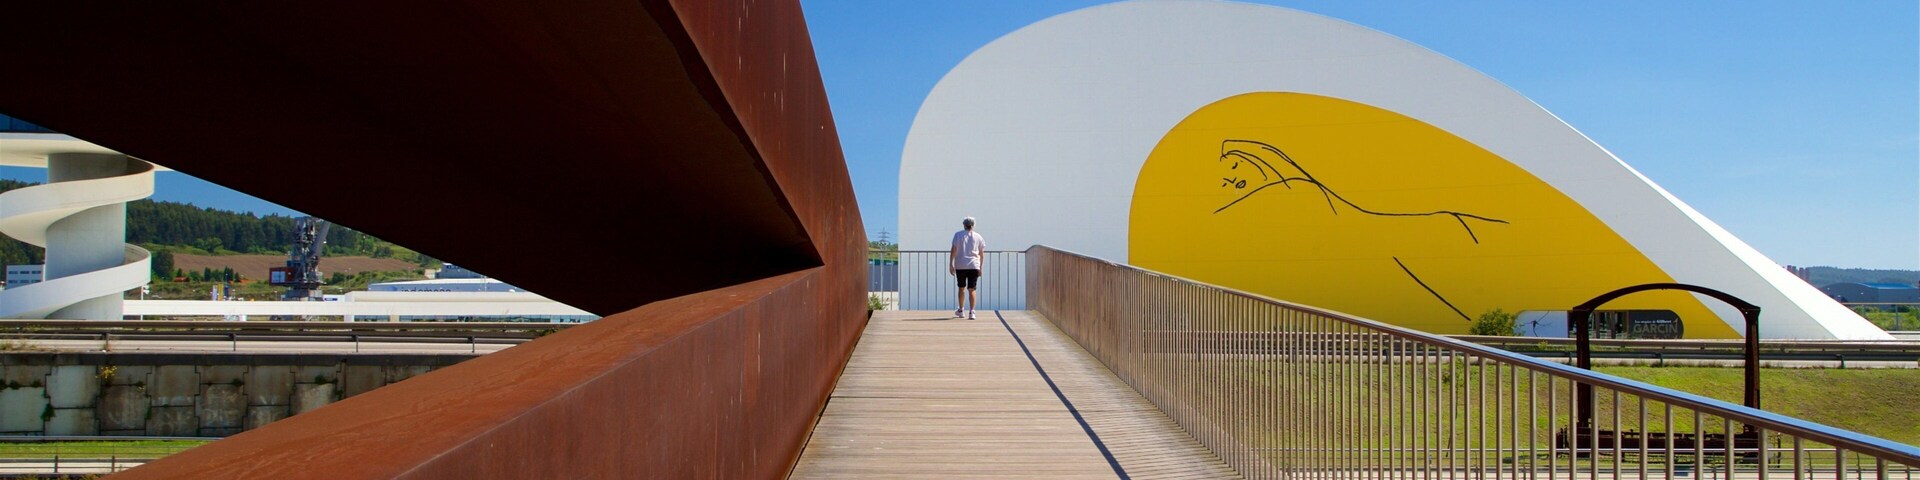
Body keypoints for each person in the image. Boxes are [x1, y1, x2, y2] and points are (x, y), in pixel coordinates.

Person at [949, 216, 985, 319]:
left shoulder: (958, 235)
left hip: (960, 264)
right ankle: (972, 312)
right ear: (973, 225)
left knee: (961, 288)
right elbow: (982, 254)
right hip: (974, 265)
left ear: (964, 225)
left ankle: (961, 310)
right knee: (972, 289)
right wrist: (981, 267)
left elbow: (953, 250)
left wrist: (951, 264)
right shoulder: (979, 237)